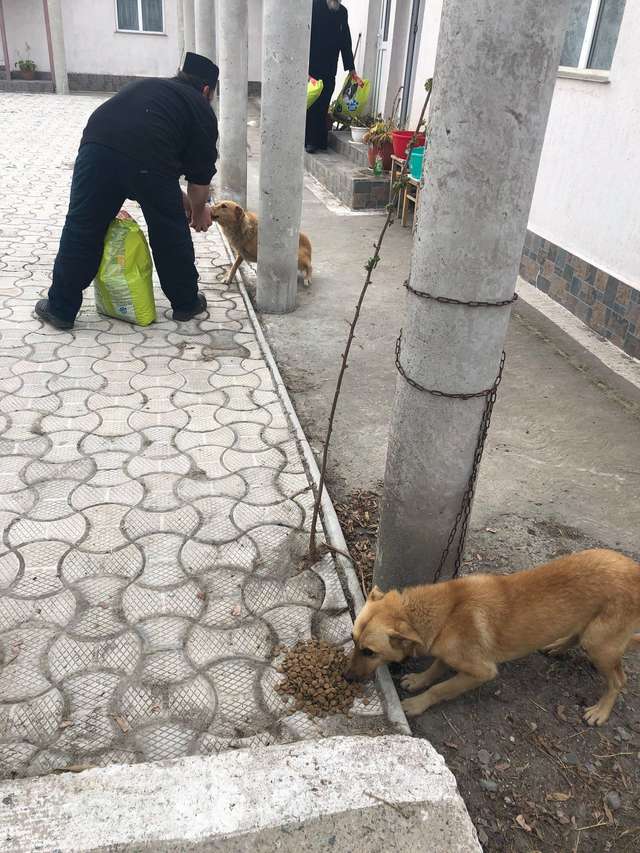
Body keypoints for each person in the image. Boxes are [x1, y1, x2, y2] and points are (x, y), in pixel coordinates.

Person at [35, 52, 219, 330]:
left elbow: (159, 177)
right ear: (206, 90)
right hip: (148, 159)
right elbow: (198, 183)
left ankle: (60, 308)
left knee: (82, 227)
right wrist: (197, 212)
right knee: (169, 230)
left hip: (97, 148)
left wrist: (185, 203)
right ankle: (186, 304)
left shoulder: (155, 89)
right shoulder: (199, 106)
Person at [306, 0, 363, 153]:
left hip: (330, 67)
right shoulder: (314, 6)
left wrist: (352, 70)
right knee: (313, 103)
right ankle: (310, 141)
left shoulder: (342, 12)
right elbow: (305, 35)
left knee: (324, 101)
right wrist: (304, 68)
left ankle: (320, 139)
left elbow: (345, 41)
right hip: (312, 66)